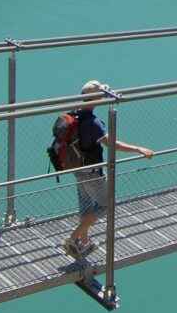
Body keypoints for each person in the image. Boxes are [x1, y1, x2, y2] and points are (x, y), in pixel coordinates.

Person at [53, 80, 154, 259]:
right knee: (107, 205)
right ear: (95, 99)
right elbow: (111, 143)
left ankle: (83, 243)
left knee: (86, 206)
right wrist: (138, 149)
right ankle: (72, 238)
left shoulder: (74, 115)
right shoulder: (93, 122)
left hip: (78, 168)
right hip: (92, 171)